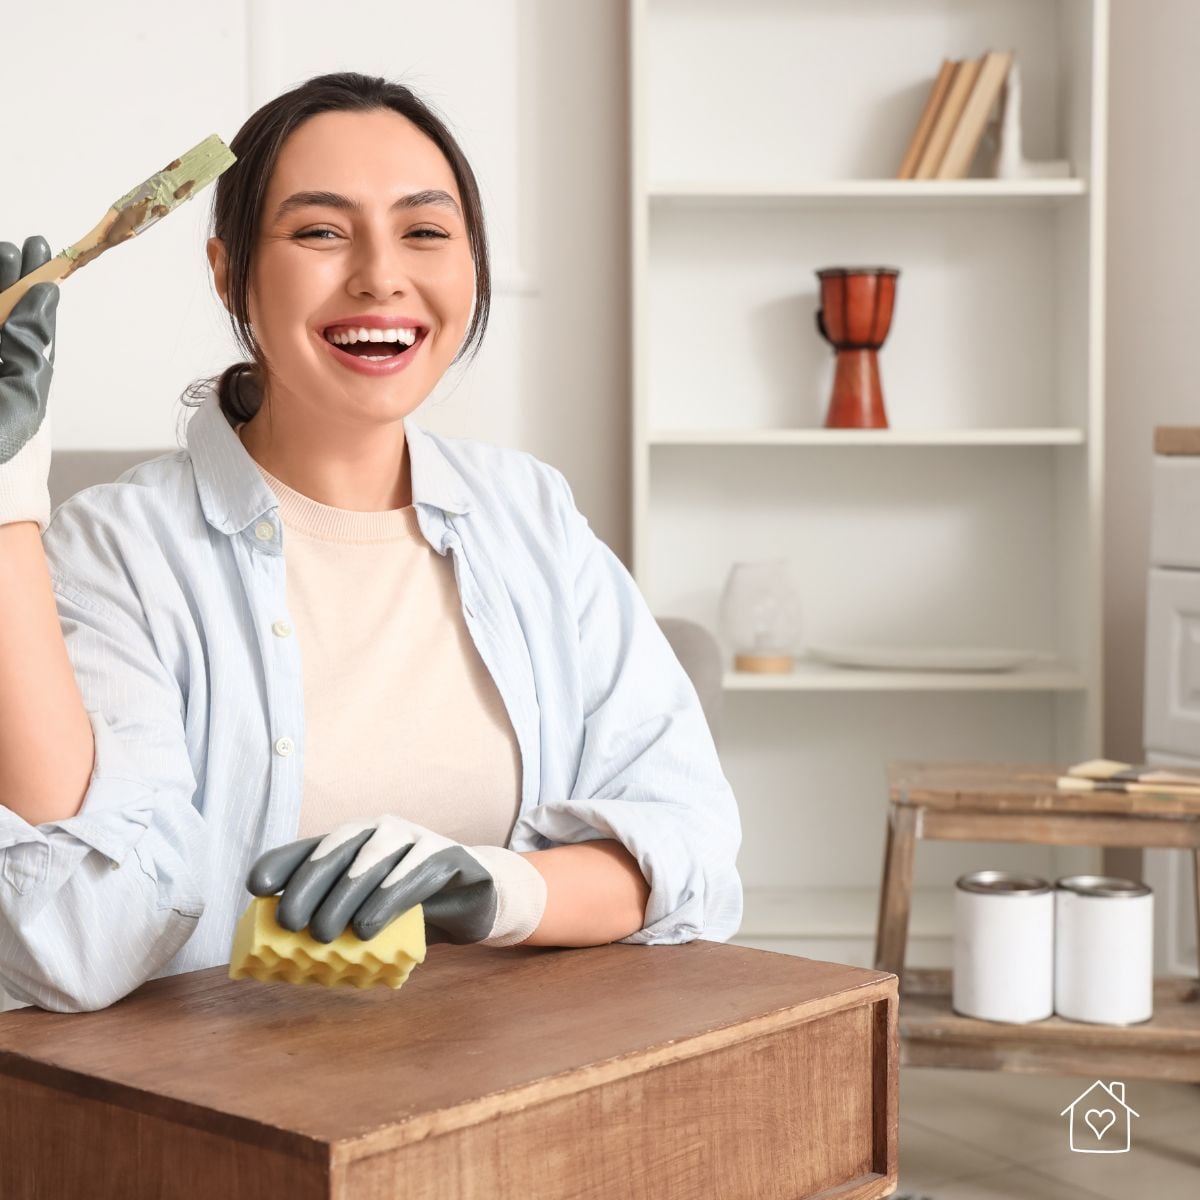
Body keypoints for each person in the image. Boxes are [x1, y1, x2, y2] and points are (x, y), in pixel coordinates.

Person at [0, 72, 742, 1014]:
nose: (381, 275)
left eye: (425, 231)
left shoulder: (531, 515)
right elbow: (74, 945)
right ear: (228, 273)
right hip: (227, 1093)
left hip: (520, 1073)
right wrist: (5, 499)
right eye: (320, 231)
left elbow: (689, 848)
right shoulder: (118, 551)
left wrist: (495, 889)